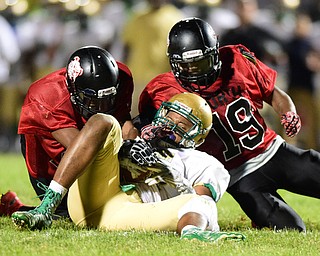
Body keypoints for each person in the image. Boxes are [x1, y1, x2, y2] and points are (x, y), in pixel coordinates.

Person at [137, 17, 320, 232]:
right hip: (239, 178)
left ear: (215, 51)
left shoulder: (235, 59)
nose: (195, 72)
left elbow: (274, 94)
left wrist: (288, 113)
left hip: (274, 152)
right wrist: (149, 133)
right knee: (293, 229)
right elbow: (144, 128)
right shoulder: (161, 90)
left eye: (201, 63)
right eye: (187, 66)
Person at [11, 92, 245, 242]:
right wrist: (124, 154)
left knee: (201, 204)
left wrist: (168, 174)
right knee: (104, 120)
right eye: (169, 117)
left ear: (198, 136)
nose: (169, 125)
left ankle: (193, 235)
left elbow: (199, 200)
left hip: (130, 213)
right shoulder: (139, 138)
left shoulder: (207, 164)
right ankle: (46, 208)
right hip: (96, 196)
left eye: (182, 124)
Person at [13, 45, 138, 219]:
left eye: (107, 99)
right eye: (92, 101)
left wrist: (137, 146)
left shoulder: (121, 77)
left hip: (96, 144)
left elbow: (124, 121)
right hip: (53, 162)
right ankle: (32, 207)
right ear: (73, 91)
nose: (101, 107)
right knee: (74, 214)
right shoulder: (46, 96)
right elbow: (81, 147)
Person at [122, 0, 184, 117]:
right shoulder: (137, 17)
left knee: (162, 118)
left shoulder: (175, 17)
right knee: (135, 118)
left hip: (164, 79)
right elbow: (127, 46)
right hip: (137, 78)